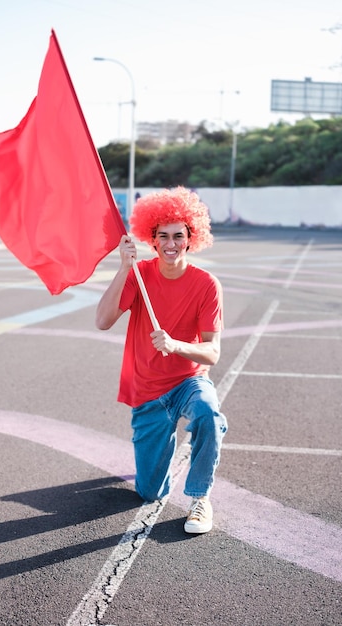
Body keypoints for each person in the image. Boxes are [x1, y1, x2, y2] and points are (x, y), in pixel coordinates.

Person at [96, 186, 227, 534]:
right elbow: (102, 320)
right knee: (150, 493)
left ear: (191, 238)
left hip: (188, 382)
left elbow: (212, 353)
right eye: (163, 236)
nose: (171, 244)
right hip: (148, 390)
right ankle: (155, 461)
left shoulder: (206, 285)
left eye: (179, 236)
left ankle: (200, 498)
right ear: (152, 239)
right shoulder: (139, 274)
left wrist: (176, 345)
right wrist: (124, 268)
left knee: (209, 416)